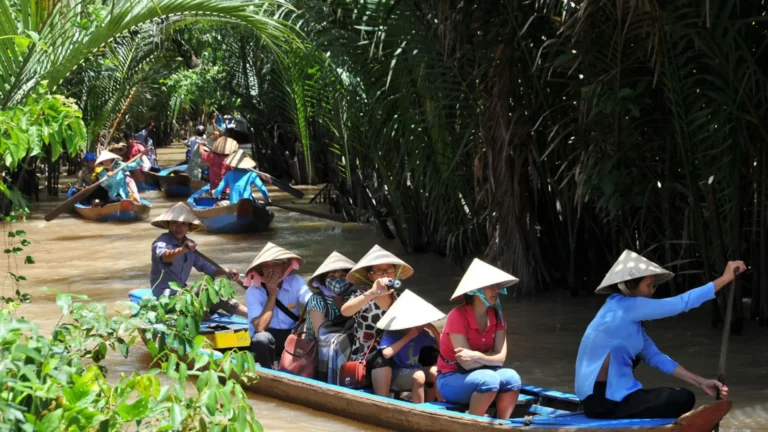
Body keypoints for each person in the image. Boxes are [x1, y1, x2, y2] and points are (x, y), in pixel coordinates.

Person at [575, 250, 743, 419]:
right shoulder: (626, 308)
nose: (652, 291)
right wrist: (725, 278)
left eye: (654, 286)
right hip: (604, 402)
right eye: (649, 285)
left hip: (594, 400)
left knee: (679, 395)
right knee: (683, 398)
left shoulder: (619, 314)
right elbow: (681, 303)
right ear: (630, 286)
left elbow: (657, 357)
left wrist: (702, 382)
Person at [437, 258, 522, 419]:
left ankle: (501, 425)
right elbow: (466, 363)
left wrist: (477, 356)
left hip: (484, 372)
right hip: (451, 378)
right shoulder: (457, 316)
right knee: (488, 380)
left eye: (497, 286)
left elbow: (500, 359)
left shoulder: (498, 317)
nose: (496, 290)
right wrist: (489, 358)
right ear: (475, 290)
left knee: (512, 377)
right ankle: (474, 424)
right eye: (490, 286)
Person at [340, 244, 414, 396]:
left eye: (389, 269)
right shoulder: (363, 296)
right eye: (379, 271)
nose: (385, 274)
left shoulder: (400, 299)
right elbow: (345, 311)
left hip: (397, 352)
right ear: (371, 276)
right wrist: (373, 293)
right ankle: (383, 402)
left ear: (395, 273)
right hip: (367, 357)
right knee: (382, 359)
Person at [149, 203, 246, 317]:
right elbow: (165, 256)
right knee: (204, 298)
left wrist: (226, 271)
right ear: (168, 225)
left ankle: (252, 316)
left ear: (189, 227)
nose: (179, 227)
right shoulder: (161, 242)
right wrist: (182, 250)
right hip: (164, 297)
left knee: (214, 293)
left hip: (182, 295)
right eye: (174, 223)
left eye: (183, 224)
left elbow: (209, 269)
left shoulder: (191, 246)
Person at [245, 242, 312, 368]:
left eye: (275, 263)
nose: (270, 268)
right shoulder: (254, 291)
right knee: (261, 338)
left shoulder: (295, 282)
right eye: (266, 265)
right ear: (260, 269)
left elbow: (312, 303)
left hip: (290, 335)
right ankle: (270, 373)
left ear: (285, 266)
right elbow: (260, 327)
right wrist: (272, 295)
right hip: (267, 341)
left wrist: (307, 327)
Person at [377, 289, 443, 403]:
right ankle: (420, 409)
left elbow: (443, 349)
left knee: (435, 371)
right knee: (419, 375)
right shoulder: (392, 333)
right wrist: (408, 337)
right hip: (396, 372)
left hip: (415, 368)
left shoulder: (422, 334)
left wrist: (434, 330)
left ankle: (435, 405)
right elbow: (386, 354)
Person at [305, 251, 357, 340]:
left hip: (347, 343)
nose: (337, 281)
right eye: (332, 276)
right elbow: (320, 334)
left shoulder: (354, 296)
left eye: (343, 276)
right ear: (323, 280)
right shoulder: (317, 299)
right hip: (319, 347)